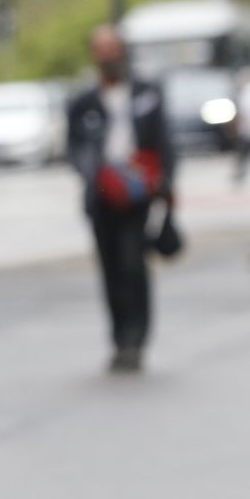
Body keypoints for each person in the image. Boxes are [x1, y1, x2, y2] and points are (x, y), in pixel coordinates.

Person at [66, 26, 177, 373]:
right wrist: (94, 172)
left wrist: (166, 185)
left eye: (114, 47)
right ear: (93, 54)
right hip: (101, 196)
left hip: (139, 194)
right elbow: (74, 148)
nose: (109, 54)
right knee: (111, 267)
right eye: (102, 48)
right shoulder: (83, 102)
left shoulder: (147, 93)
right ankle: (118, 339)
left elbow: (165, 141)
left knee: (133, 264)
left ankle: (136, 338)